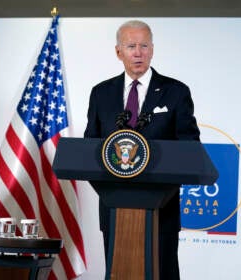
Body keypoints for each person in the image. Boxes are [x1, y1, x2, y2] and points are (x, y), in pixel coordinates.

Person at [84, 20, 200, 280]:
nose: (138, 52)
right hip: (115, 207)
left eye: (144, 45)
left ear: (152, 50)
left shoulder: (176, 92)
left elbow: (190, 147)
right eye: (131, 46)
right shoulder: (101, 93)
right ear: (118, 52)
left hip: (162, 209)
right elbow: (89, 148)